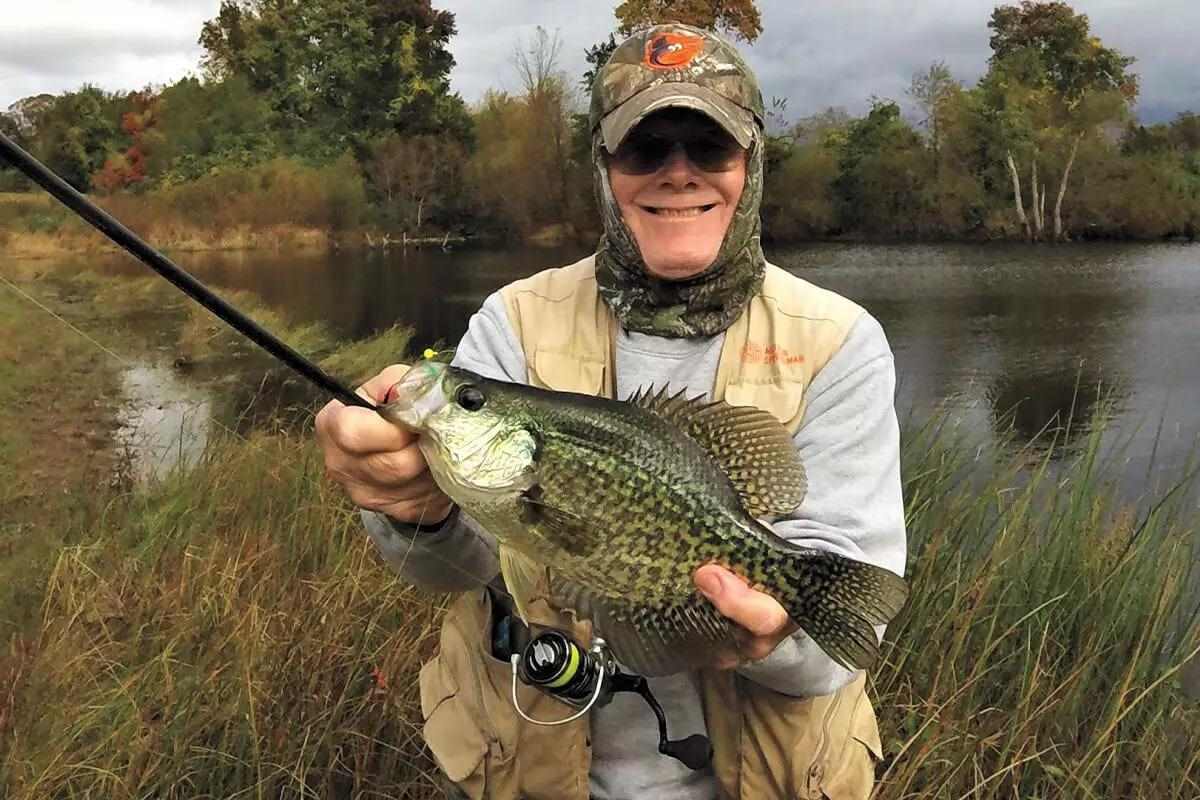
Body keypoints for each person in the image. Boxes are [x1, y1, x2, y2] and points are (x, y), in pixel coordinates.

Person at [316, 23, 906, 800]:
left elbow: (831, 660)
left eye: (709, 149)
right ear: (605, 166)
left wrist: (774, 628)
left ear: (751, 163)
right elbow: (460, 565)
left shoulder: (837, 341)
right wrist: (407, 508)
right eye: (645, 149)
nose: (678, 173)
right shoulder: (512, 321)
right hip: (532, 773)